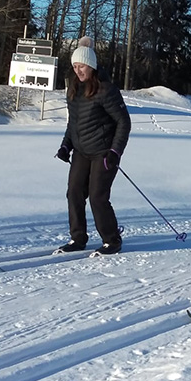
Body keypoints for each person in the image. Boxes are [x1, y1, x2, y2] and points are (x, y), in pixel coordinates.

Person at [55, 36, 131, 255]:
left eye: (83, 66)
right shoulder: (73, 89)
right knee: (74, 193)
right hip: (81, 151)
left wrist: (115, 151)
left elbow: (124, 122)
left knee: (98, 196)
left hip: (104, 153)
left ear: (92, 66)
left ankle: (112, 240)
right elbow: (74, 122)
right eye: (75, 66)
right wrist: (65, 146)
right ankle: (77, 238)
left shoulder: (106, 90)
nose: (78, 71)